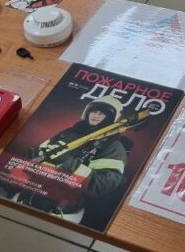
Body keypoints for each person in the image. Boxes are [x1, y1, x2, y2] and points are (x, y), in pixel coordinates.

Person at [22, 95, 129, 223]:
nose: (96, 116)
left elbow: (100, 186)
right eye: (94, 111)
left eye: (102, 113)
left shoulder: (113, 147)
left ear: (111, 118)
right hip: (27, 197)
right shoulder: (67, 133)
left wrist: (67, 162)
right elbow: (38, 155)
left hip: (60, 213)